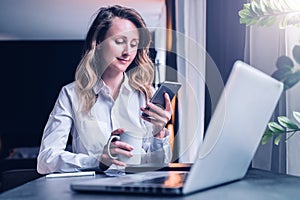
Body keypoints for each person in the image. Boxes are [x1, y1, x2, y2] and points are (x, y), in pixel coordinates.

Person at [37, 5, 173, 175]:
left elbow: (157, 165)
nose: (127, 52)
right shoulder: (71, 94)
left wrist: (159, 133)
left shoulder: (146, 95)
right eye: (120, 41)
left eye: (133, 44)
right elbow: (46, 160)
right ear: (99, 43)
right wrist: (98, 161)